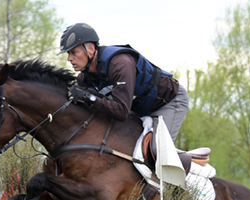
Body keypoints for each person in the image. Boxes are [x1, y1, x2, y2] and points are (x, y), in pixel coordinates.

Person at [60, 23, 189, 142]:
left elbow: (121, 111)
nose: (69, 59)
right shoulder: (84, 78)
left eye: (73, 52)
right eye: (68, 54)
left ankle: (193, 167)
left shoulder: (120, 64)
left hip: (168, 102)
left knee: (157, 149)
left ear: (91, 50)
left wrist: (89, 98)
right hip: (139, 110)